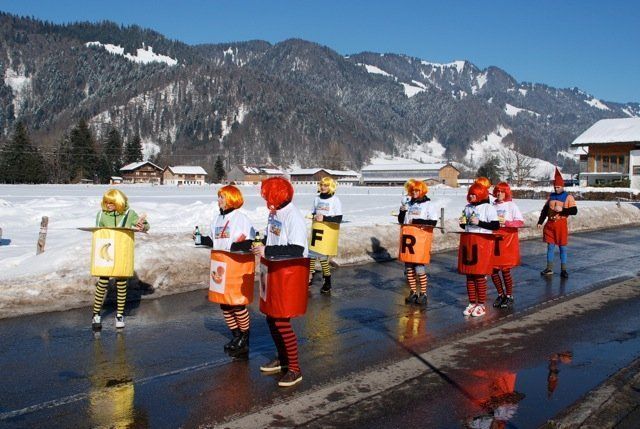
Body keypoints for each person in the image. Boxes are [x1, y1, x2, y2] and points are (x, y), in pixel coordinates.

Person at [252, 177, 308, 387]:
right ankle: (282, 358)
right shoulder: (274, 213)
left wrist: (267, 250)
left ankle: (294, 368)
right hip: (273, 268)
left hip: (289, 271)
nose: (265, 198)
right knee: (270, 316)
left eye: (267, 194)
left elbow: (297, 248)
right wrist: (260, 244)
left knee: (281, 320)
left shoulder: (293, 216)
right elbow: (272, 238)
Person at [196, 185, 255, 358]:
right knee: (224, 304)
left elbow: (251, 241)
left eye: (222, 197)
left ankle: (245, 338)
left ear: (231, 199)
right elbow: (214, 240)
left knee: (236, 303)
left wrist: (235, 246)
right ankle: (236, 336)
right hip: (220, 264)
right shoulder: (217, 219)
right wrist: (201, 239)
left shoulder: (241, 218)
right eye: (219, 197)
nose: (219, 200)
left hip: (235, 265)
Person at [92, 189, 149, 330]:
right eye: (106, 202)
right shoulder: (101, 215)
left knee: (122, 283)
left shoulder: (129, 214)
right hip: (106, 250)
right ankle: (96, 314)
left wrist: (142, 226)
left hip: (123, 250)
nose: (108, 205)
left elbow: (146, 226)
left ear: (119, 202)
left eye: (112, 202)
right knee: (103, 281)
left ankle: (119, 315)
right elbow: (99, 232)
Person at [460, 183, 500, 317]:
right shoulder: (467, 207)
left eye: (474, 194)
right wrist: (463, 222)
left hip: (483, 242)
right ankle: (472, 302)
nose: (471, 196)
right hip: (469, 241)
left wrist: (480, 223)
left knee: (479, 274)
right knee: (469, 274)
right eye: (470, 194)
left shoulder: (488, 207)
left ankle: (481, 304)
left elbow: (495, 225)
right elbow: (464, 224)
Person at [398, 179, 438, 305]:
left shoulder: (428, 205)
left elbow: (433, 222)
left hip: (420, 239)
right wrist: (402, 211)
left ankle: (423, 293)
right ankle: (413, 292)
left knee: (419, 267)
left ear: (422, 191)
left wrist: (416, 221)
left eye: (417, 190)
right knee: (409, 267)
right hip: (408, 238)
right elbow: (402, 221)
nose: (414, 192)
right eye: (413, 190)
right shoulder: (409, 204)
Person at [537, 168, 578, 278]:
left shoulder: (568, 197)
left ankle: (563, 270)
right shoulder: (551, 196)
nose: (556, 188)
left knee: (562, 247)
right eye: (555, 187)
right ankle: (549, 268)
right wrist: (540, 221)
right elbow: (545, 210)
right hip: (550, 224)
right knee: (550, 247)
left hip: (561, 225)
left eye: (558, 187)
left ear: (562, 186)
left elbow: (574, 211)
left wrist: (563, 210)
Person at [491, 182, 524, 309]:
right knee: (493, 270)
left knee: (505, 270)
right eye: (497, 191)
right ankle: (500, 294)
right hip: (493, 240)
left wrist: (507, 222)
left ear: (506, 193)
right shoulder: (492, 206)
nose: (499, 194)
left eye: (502, 191)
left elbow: (520, 222)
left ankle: (509, 296)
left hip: (507, 241)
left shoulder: (511, 205)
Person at [309, 177, 343, 294]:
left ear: (331, 186)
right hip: (316, 229)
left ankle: (327, 280)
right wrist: (313, 216)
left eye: (326, 185)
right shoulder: (317, 198)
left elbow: (338, 218)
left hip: (327, 231)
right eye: (322, 185)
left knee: (322, 257)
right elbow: (314, 212)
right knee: (311, 255)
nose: (323, 187)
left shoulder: (335, 200)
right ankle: (310, 276)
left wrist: (325, 218)